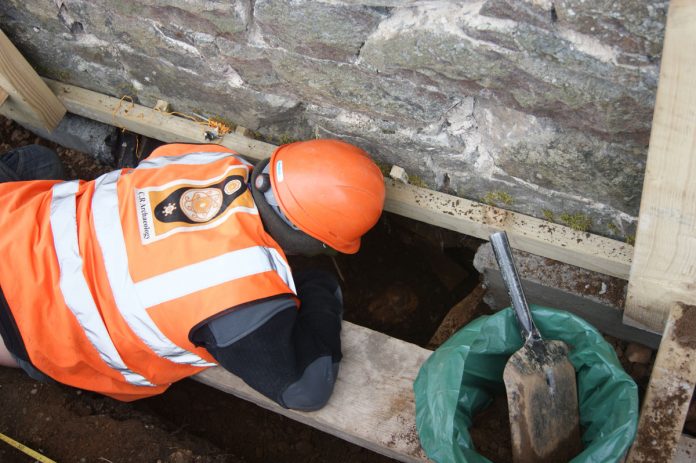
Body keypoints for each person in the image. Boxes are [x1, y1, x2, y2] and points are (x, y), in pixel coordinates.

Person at [0, 139, 386, 411]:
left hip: (13, 226)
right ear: (318, 242)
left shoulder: (211, 158)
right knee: (22, 343)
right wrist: (320, 286)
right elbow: (304, 391)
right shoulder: (242, 299)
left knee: (36, 164)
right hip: (36, 323)